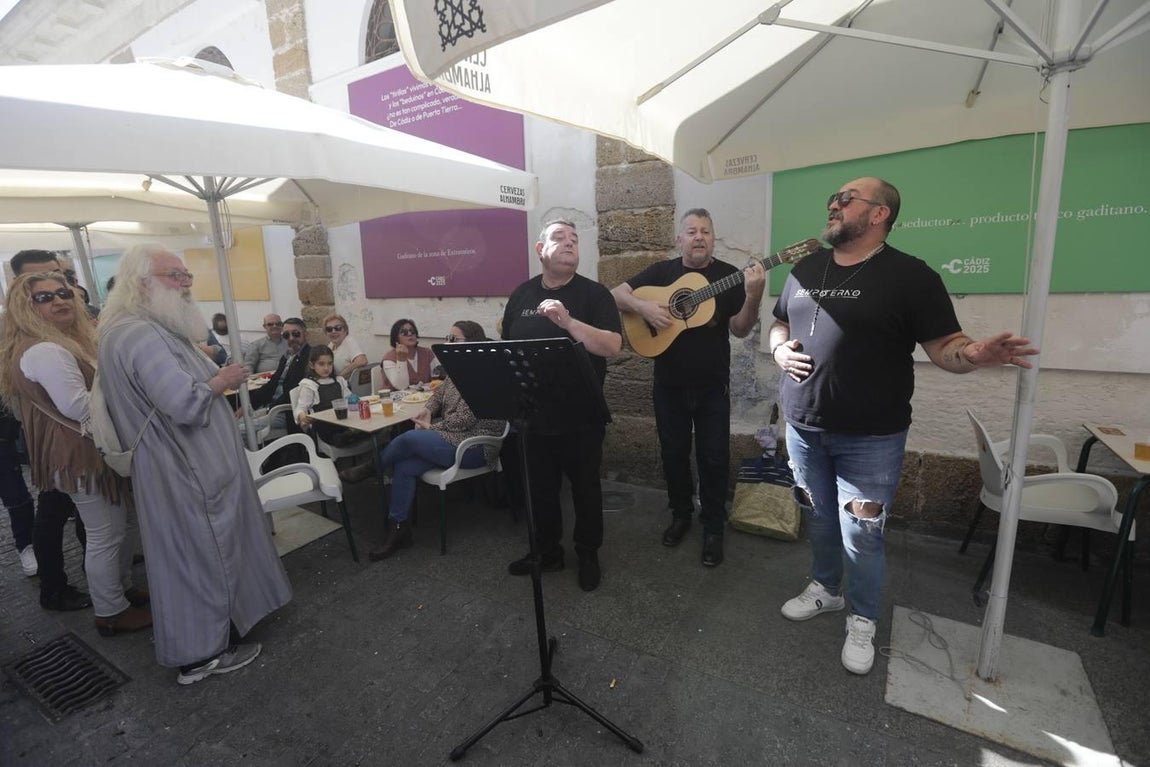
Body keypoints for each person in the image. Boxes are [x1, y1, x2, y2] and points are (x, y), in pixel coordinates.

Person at [768, 177, 1039, 675]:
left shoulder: (912, 277)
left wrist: (977, 354)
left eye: (846, 199)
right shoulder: (804, 268)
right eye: (833, 198)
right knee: (820, 517)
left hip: (871, 436)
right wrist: (777, 347)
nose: (834, 204)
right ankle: (826, 588)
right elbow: (780, 321)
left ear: (879, 215)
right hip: (803, 425)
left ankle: (863, 618)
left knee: (863, 532)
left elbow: (947, 347)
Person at [98, 243, 292, 685]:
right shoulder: (141, 334)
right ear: (142, 282)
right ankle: (201, 656)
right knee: (201, 557)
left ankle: (211, 635)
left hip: (174, 468)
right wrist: (222, 380)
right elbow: (182, 403)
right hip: (185, 470)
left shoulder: (132, 326)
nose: (187, 284)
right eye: (175, 276)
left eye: (187, 275)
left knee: (189, 557)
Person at [611, 209, 765, 567]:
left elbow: (740, 330)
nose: (699, 237)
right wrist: (643, 308)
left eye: (706, 232)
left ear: (713, 239)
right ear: (679, 239)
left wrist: (753, 295)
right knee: (673, 454)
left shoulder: (728, 276)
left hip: (713, 387)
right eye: (692, 231)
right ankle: (680, 514)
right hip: (668, 385)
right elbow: (616, 294)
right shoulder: (662, 273)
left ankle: (713, 526)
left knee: (714, 458)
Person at [0, 272, 151, 635]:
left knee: (122, 524)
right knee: (105, 533)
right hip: (78, 452)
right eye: (44, 297)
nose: (59, 300)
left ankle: (121, 589)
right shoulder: (46, 350)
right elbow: (80, 407)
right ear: (25, 307)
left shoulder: (55, 342)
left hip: (80, 449)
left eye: (64, 293)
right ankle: (111, 611)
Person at [500, 219, 623, 592]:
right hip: (533, 416)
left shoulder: (595, 295)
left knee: (585, 489)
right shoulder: (521, 295)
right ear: (541, 250)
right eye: (559, 238)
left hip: (581, 416)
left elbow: (613, 347)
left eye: (574, 239)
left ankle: (587, 553)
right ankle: (547, 552)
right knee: (539, 489)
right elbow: (507, 347)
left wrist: (568, 322)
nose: (570, 243)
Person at [369, 321, 505, 561]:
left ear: (471, 342)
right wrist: (428, 410)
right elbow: (439, 393)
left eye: (454, 339)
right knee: (405, 465)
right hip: (453, 439)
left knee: (410, 439)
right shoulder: (459, 368)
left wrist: (431, 427)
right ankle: (399, 529)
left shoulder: (484, 372)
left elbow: (462, 420)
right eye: (448, 338)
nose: (448, 343)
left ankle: (373, 468)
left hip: (476, 446)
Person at [5, 250, 88, 610]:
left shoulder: (72, 322)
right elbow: (72, 402)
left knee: (86, 517)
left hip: (67, 438)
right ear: (20, 286)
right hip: (57, 441)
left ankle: (95, 577)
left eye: (62, 282)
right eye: (42, 288)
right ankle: (55, 587)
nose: (56, 292)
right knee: (55, 511)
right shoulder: (29, 340)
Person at [249, 317, 310, 414]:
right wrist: (250, 405)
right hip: (272, 405)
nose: (291, 338)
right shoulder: (287, 356)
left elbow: (293, 392)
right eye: (286, 335)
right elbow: (272, 383)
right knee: (237, 420)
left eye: (296, 334)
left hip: (286, 411)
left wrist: (269, 410)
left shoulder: (308, 357)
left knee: (242, 428)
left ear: (305, 334)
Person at [381, 318, 435, 390]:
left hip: (424, 398)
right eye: (404, 332)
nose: (409, 334)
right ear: (396, 337)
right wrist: (401, 360)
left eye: (412, 331)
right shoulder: (389, 358)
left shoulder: (427, 353)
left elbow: (438, 377)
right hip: (395, 399)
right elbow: (401, 386)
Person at [322, 313, 369, 382]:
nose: (333, 331)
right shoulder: (330, 346)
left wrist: (340, 377)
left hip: (349, 386)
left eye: (338, 328)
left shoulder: (349, 341)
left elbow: (362, 361)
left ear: (345, 329)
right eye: (329, 329)